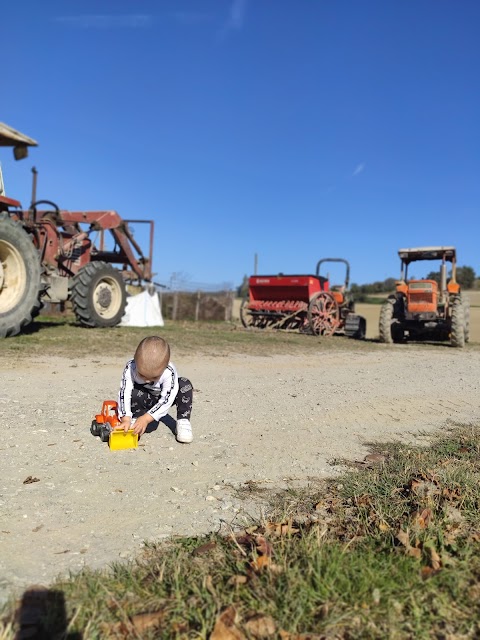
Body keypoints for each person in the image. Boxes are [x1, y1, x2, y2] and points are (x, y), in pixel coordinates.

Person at [117, 335, 193, 443]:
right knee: (134, 391)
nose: (147, 381)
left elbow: (167, 400)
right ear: (135, 361)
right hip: (144, 397)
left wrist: (146, 418)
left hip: (162, 399)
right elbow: (124, 392)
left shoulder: (169, 372)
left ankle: (183, 421)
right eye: (142, 375)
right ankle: (136, 418)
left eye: (154, 377)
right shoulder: (130, 367)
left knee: (185, 384)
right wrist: (125, 418)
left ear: (165, 366)